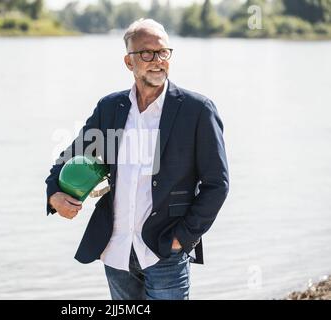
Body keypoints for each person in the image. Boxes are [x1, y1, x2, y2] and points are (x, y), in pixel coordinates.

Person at [45, 18, 229, 300]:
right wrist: (54, 194)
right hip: (116, 251)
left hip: (165, 251)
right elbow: (71, 156)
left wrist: (183, 238)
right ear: (129, 62)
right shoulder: (110, 108)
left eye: (163, 52)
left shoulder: (198, 110)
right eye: (146, 53)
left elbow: (217, 184)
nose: (157, 60)